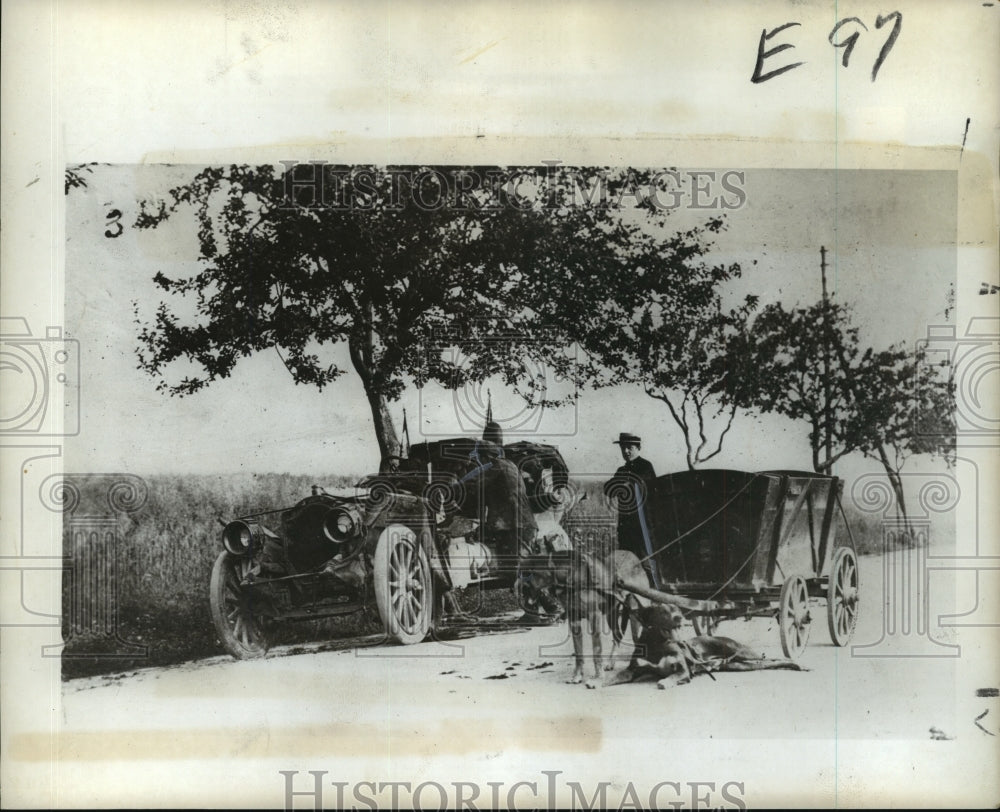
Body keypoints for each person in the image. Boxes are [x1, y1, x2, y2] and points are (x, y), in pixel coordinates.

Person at [603, 432, 659, 588]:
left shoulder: (646, 466)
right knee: (625, 556)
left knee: (645, 556)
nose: (626, 451)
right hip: (626, 523)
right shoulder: (621, 469)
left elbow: (648, 487)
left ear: (638, 448)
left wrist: (623, 485)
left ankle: (654, 590)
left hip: (642, 521)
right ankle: (629, 589)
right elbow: (608, 489)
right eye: (623, 448)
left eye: (630, 448)